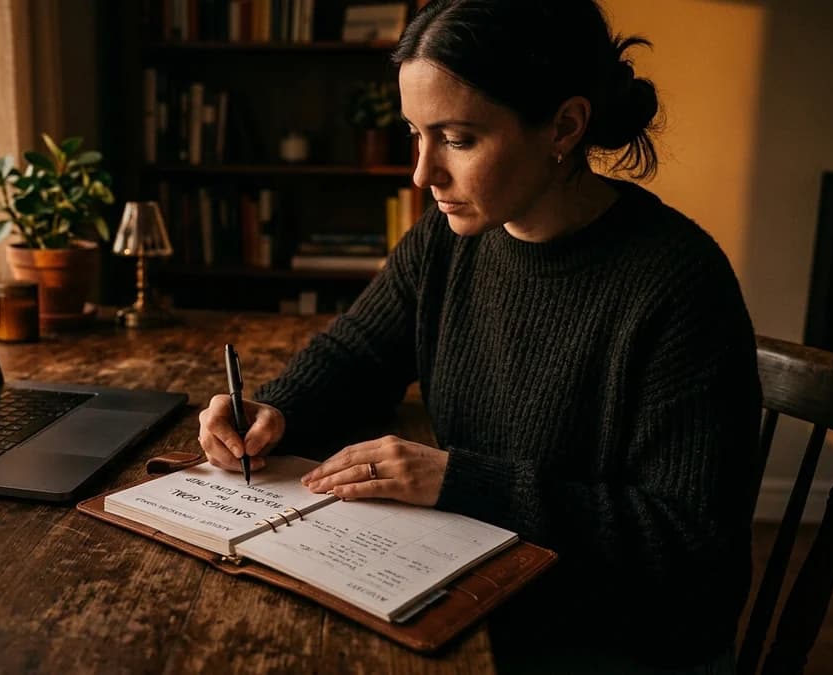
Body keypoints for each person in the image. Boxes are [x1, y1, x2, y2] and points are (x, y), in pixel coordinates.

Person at [197, 0, 760, 672]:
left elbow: (691, 550)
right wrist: (273, 409)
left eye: (457, 139)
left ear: (565, 125)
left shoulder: (678, 283)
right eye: (415, 133)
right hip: (479, 586)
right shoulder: (447, 239)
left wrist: (465, 482)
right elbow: (357, 354)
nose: (422, 173)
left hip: (620, 638)